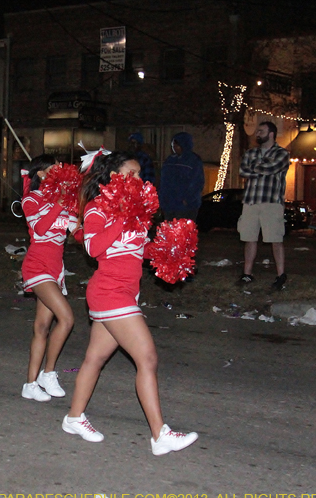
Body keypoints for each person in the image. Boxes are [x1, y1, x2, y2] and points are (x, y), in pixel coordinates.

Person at [62, 151, 198, 456]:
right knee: (147, 358)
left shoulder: (137, 213)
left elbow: (136, 249)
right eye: (132, 174)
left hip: (126, 293)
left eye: (140, 174)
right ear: (113, 177)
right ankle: (160, 435)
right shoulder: (98, 208)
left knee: (94, 360)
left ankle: (74, 417)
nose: (139, 179)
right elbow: (94, 247)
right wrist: (122, 218)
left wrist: (166, 251)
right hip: (110, 292)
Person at [19, 155, 76, 402]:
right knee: (66, 318)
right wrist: (59, 203)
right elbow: (41, 228)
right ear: (41, 174)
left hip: (56, 269)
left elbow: (79, 233)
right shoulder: (31, 199)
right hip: (36, 266)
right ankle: (48, 373)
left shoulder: (64, 202)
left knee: (42, 327)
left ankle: (30, 384)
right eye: (54, 170)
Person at [237, 121, 290, 290]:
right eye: (257, 131)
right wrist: (261, 168)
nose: (257, 133)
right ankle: (247, 274)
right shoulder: (251, 153)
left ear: (271, 134)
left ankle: (281, 275)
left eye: (261, 131)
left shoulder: (282, 153)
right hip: (251, 200)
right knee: (249, 238)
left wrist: (255, 169)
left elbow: (271, 168)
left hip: (271, 202)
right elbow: (242, 171)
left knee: (275, 239)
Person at [159, 132, 204, 221]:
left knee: (182, 231)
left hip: (185, 206)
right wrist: (162, 199)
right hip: (169, 204)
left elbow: (197, 182)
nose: (174, 148)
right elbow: (164, 181)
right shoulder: (170, 160)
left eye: (177, 145)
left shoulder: (193, 160)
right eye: (173, 145)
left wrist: (188, 199)